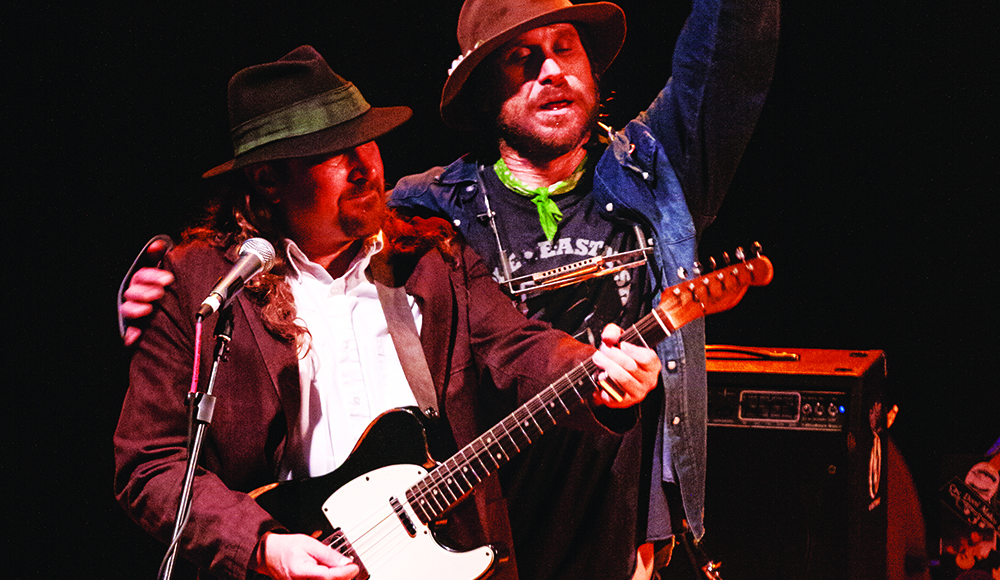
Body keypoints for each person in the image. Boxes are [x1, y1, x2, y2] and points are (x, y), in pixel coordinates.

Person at [119, 0, 781, 578]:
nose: (365, 165)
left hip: (505, 547)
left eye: (368, 143)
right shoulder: (213, 281)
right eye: (334, 152)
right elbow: (149, 463)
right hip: (318, 551)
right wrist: (263, 543)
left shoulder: (425, 253)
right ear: (268, 182)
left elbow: (516, 345)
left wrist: (597, 369)